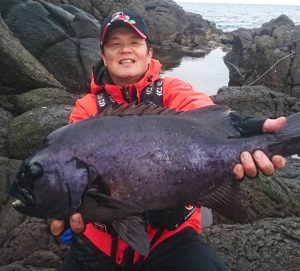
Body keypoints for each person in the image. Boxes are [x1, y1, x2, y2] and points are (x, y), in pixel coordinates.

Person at [51, 10, 286, 271]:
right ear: (104, 56)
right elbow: (69, 170)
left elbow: (206, 115)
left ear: (149, 53)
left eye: (134, 43)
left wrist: (248, 130)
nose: (125, 50)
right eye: (115, 44)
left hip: (170, 238)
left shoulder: (174, 91)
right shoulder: (85, 109)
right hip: (98, 243)